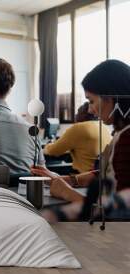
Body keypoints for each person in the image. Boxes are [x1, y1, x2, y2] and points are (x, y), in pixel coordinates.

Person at [31, 60, 130, 222]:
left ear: (110, 98)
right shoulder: (120, 132)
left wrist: (68, 193)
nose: (90, 109)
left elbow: (122, 214)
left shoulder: (127, 139)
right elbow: (109, 174)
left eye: (91, 101)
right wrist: (66, 180)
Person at [43, 102, 112, 173]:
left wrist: (47, 146)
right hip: (102, 175)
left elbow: (54, 151)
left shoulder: (79, 128)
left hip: (84, 176)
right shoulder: (104, 127)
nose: (76, 115)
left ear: (82, 114)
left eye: (77, 112)